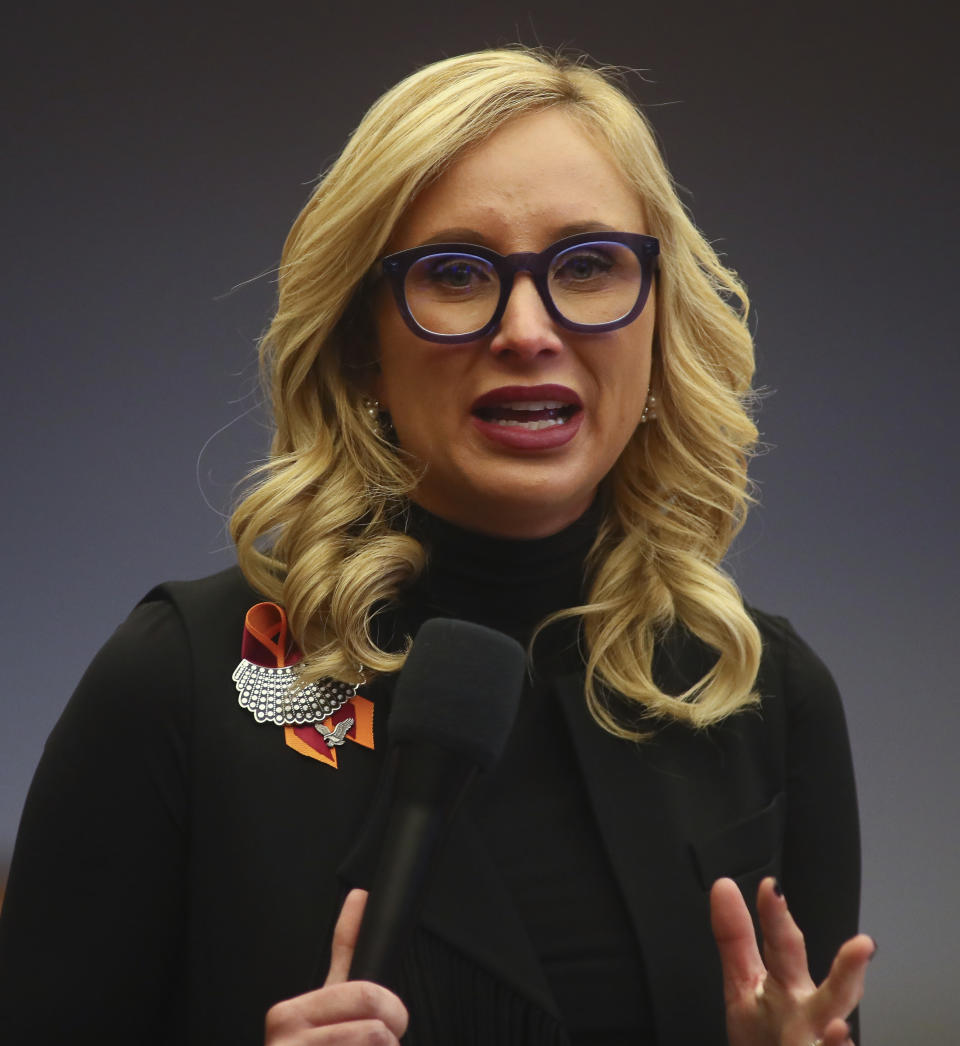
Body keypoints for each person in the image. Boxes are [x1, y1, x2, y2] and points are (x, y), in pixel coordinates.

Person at [0, 48, 873, 1045]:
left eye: (588, 264)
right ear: (364, 337)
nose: (529, 328)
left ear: (660, 315)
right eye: (455, 273)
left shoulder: (763, 694)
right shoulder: (183, 679)